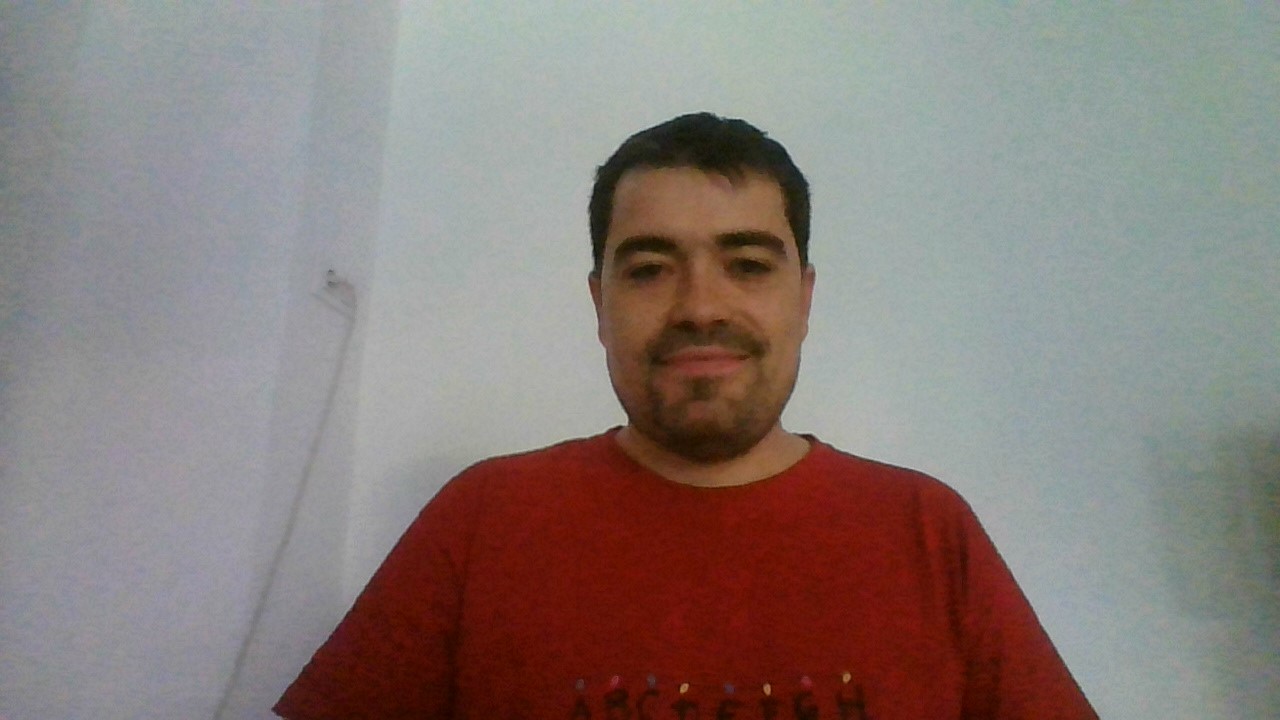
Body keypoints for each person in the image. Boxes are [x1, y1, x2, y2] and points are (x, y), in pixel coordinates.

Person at [275, 113, 1097, 719]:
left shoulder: (928, 530)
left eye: (748, 264)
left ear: (804, 298)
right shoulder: (483, 519)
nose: (701, 306)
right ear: (599, 304)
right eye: (649, 269)